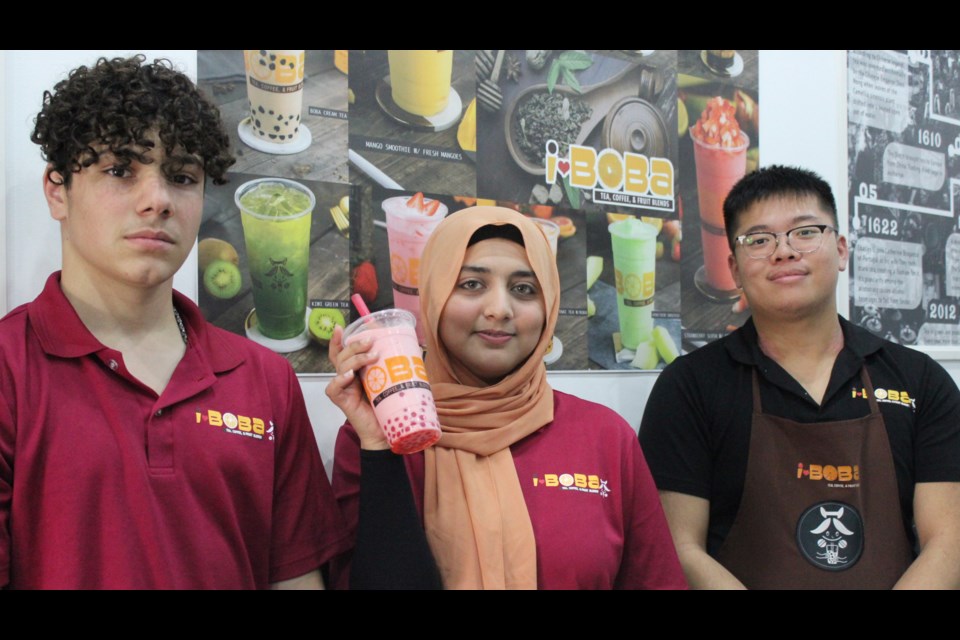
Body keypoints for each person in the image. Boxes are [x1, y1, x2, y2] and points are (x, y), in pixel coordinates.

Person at [0, 55, 349, 589]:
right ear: (57, 190)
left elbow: (295, 577)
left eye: (182, 176)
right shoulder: (9, 367)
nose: (157, 200)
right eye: (120, 170)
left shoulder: (264, 379)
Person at [327, 206, 686, 589]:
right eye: (471, 285)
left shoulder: (605, 437)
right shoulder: (373, 436)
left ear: (548, 307)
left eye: (524, 289)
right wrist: (381, 446)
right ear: (433, 298)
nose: (499, 309)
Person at [640, 165, 960, 589]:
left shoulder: (920, 381)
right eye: (759, 239)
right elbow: (677, 547)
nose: (784, 251)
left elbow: (949, 541)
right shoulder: (689, 387)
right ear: (734, 269)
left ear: (842, 249)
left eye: (805, 232)